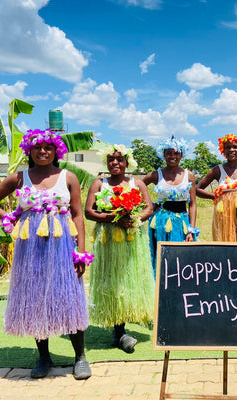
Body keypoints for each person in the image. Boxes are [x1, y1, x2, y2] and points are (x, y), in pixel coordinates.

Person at [0, 129, 92, 380]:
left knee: (69, 298)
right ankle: (44, 357)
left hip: (62, 246)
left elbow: (77, 214)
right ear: (29, 151)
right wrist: (7, 217)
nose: (43, 151)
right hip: (29, 248)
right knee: (34, 297)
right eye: (37, 147)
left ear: (56, 151)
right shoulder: (19, 178)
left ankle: (80, 357)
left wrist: (81, 252)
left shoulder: (68, 177)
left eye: (48, 147)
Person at [84, 144, 155, 353]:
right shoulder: (99, 183)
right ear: (106, 163)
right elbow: (89, 211)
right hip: (108, 240)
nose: (115, 163)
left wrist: (134, 218)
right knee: (112, 280)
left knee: (128, 279)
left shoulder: (138, 183)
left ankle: (121, 329)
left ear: (127, 162)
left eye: (119, 160)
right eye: (111, 160)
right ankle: (118, 331)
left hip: (131, 238)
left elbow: (149, 208)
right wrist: (112, 218)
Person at [143, 137, 198, 273]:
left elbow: (192, 204)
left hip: (182, 222)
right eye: (169, 153)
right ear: (163, 154)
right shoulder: (156, 174)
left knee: (182, 256)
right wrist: (150, 204)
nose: (172, 156)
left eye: (176, 153)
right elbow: (138, 187)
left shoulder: (189, 176)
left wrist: (191, 229)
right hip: (161, 222)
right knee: (161, 256)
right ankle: (160, 287)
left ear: (182, 154)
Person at [196, 134, 237, 242]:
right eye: (228, 147)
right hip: (223, 216)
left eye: (235, 147)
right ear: (223, 150)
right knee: (225, 243)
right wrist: (215, 196)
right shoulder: (218, 170)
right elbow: (197, 189)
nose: (231, 150)